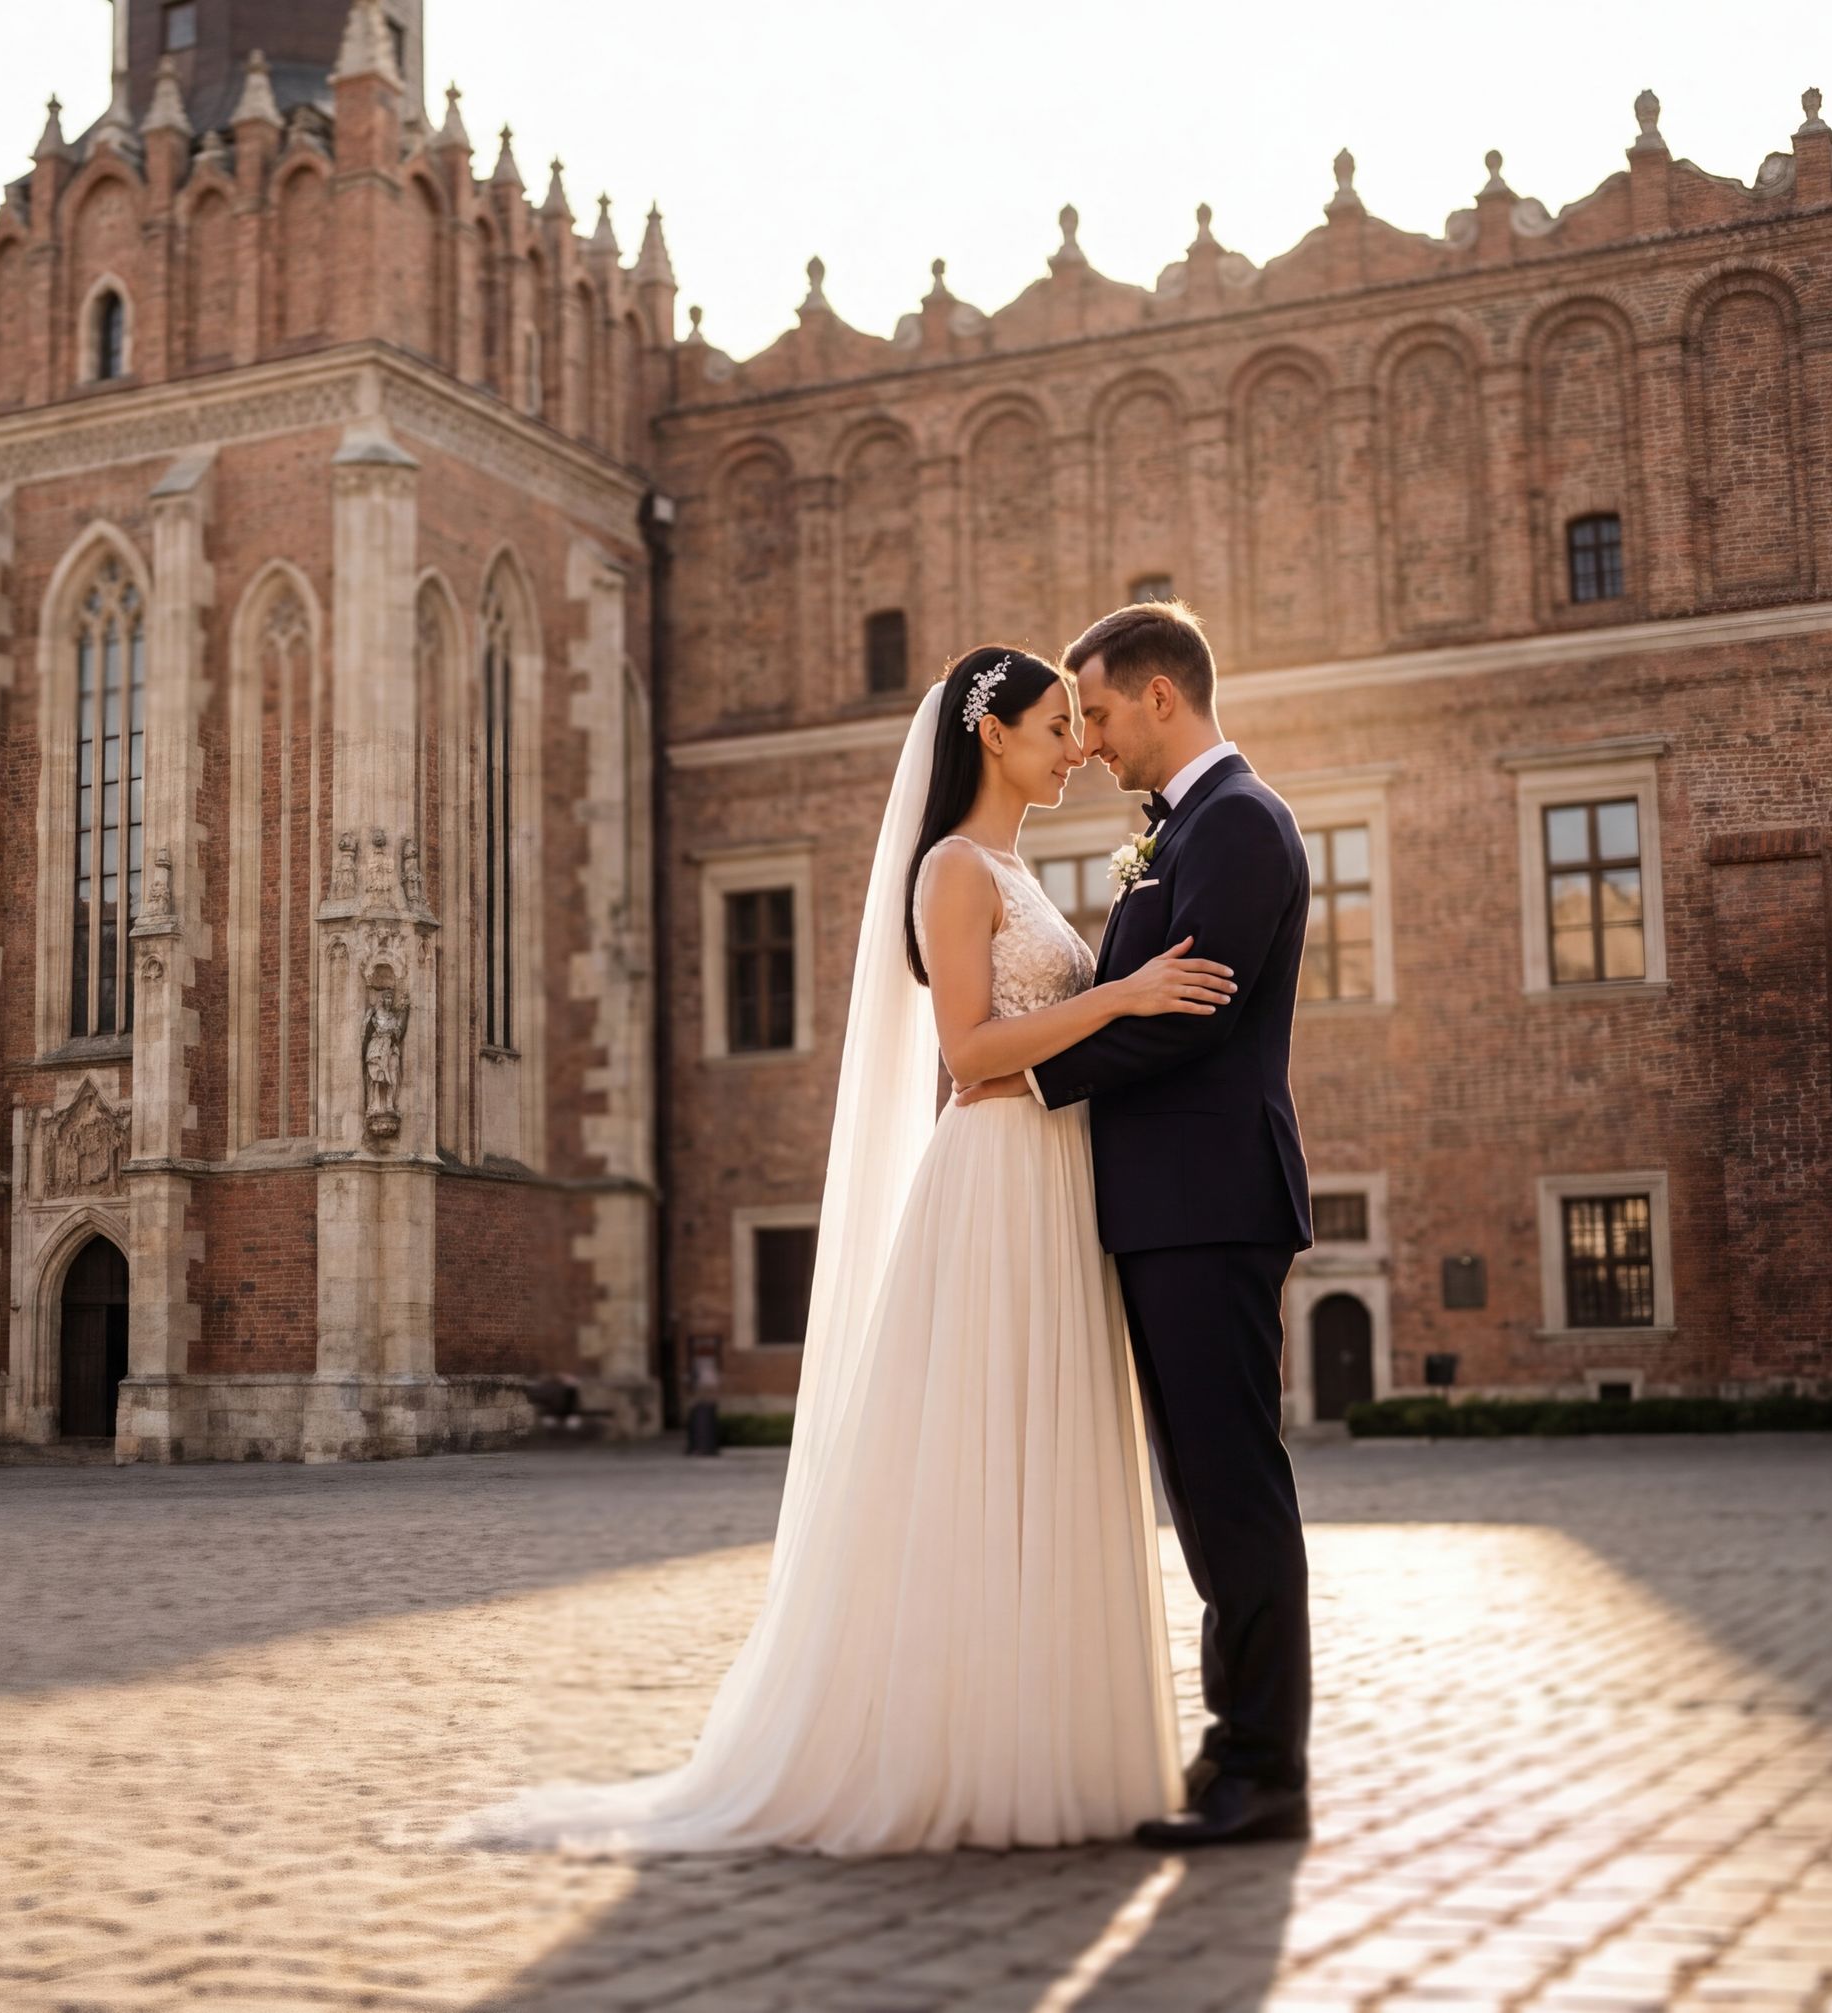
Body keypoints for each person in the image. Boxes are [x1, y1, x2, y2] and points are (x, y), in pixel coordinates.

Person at [460, 646, 1235, 1855]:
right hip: (994, 1183)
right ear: (991, 737)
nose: (1076, 745)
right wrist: (1123, 1000)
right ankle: (955, 1749)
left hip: (1055, 1180)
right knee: (982, 1460)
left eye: (1082, 726)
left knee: (1049, 1452)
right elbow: (972, 1052)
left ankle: (1046, 1744)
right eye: (1054, 726)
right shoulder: (951, 869)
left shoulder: (1017, 869)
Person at [960, 599, 1319, 1848]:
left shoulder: (1241, 826)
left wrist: (1035, 1079)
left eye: (1100, 713)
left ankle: (1262, 1770)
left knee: (1231, 1492)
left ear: (1162, 696)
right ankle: (1241, 1755)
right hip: (1167, 1208)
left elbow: (1191, 1017)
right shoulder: (1184, 830)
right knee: (1206, 1490)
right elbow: (1139, 999)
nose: (1092, 741)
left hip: (1211, 1205)